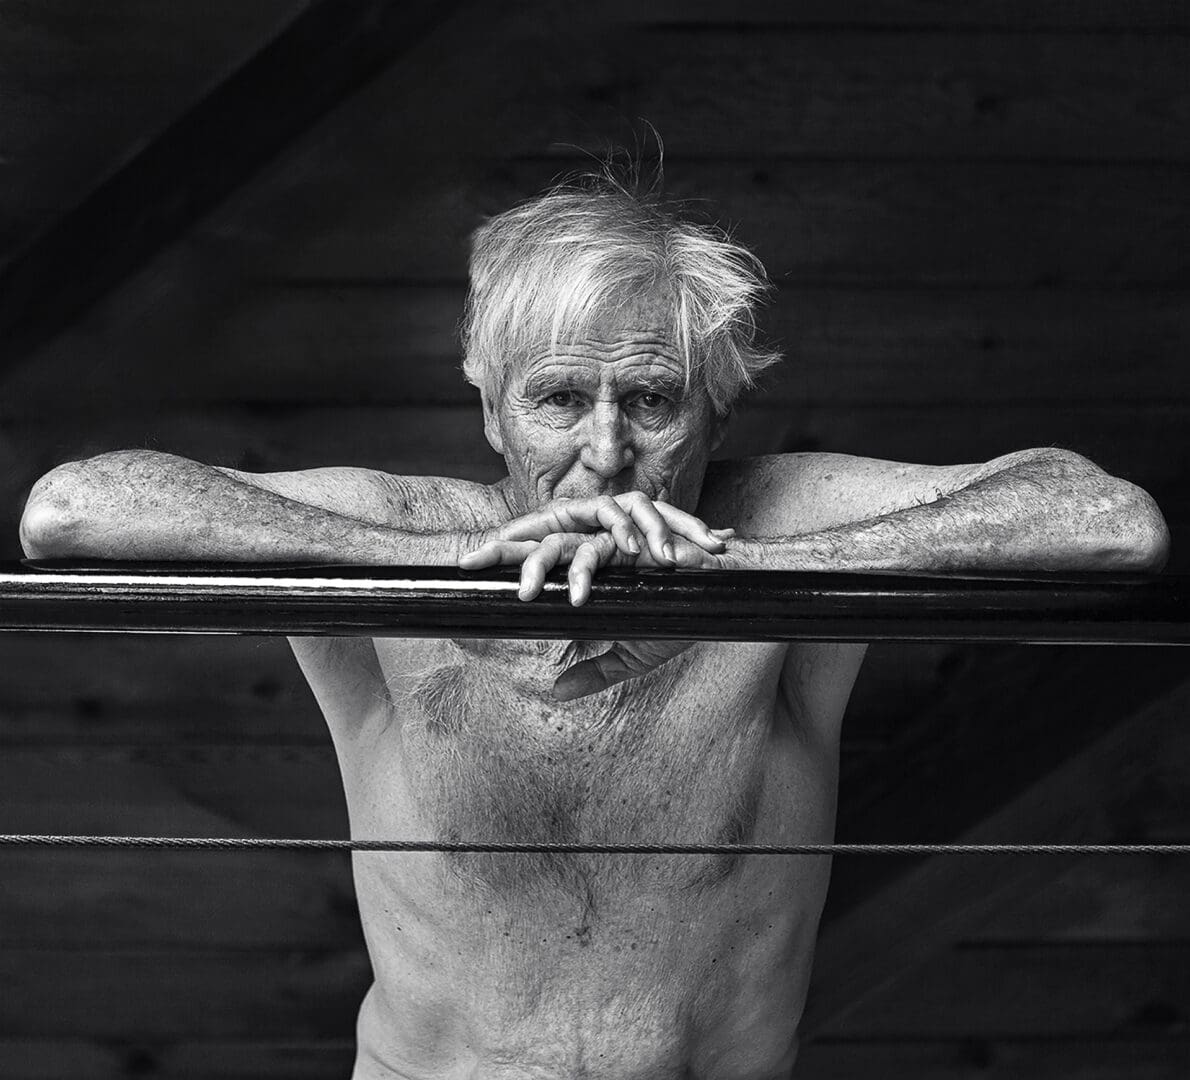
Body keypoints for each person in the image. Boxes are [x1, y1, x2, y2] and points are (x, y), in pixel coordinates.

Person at [20, 174, 1169, 1079]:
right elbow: (73, 509)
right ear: (488, 402)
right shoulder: (401, 528)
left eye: (653, 402)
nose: (607, 455)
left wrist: (749, 580)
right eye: (558, 399)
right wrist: (440, 574)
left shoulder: (771, 522)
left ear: (715, 400)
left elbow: (1105, 520)